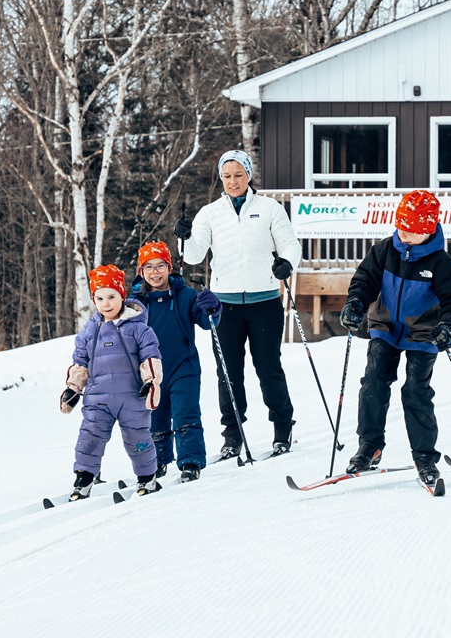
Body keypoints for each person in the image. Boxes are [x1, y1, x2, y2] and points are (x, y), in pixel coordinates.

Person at [175, 149, 302, 459]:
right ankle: (233, 433)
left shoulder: (270, 209)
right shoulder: (210, 213)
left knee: (268, 368)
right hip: (224, 307)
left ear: (249, 176)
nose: (233, 182)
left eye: (238, 175)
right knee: (228, 372)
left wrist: (287, 263)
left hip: (265, 302)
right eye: (227, 176)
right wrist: (184, 237)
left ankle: (282, 428)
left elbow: (290, 244)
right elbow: (193, 256)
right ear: (221, 178)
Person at [339, 190, 451, 485]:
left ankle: (424, 455)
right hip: (385, 327)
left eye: (412, 230)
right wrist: (356, 302)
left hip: (424, 332)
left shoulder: (440, 262)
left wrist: (450, 326)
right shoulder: (384, 250)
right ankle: (369, 446)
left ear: (427, 229)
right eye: (401, 227)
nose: (405, 235)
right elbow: (364, 280)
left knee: (416, 390)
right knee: (373, 381)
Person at [60, 264, 163, 500]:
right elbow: (81, 362)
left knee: (137, 439)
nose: (106, 303)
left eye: (111, 296)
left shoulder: (139, 329)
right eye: (100, 298)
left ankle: (147, 477)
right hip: (97, 399)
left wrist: (150, 382)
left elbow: (150, 358)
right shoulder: (90, 331)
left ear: (122, 296)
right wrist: (73, 389)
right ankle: (83, 479)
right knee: (90, 436)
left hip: (132, 397)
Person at [130, 241, 223, 482]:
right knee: (155, 418)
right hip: (150, 372)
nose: (155, 272)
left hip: (184, 367)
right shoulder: (135, 303)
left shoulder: (186, 295)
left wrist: (212, 308)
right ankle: (158, 463)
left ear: (169, 267)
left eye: (160, 265)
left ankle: (190, 461)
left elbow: (207, 322)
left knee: (185, 414)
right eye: (148, 267)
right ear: (141, 272)